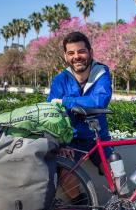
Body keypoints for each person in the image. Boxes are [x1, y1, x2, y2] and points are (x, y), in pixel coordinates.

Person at [47, 31, 113, 176]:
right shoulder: (59, 80)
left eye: (81, 51)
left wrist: (66, 101)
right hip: (71, 141)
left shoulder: (102, 73)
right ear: (65, 56)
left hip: (98, 137)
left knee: (115, 171)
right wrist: (60, 143)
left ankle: (122, 198)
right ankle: (85, 200)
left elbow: (100, 100)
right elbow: (50, 114)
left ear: (90, 52)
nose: (76, 56)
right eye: (71, 53)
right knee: (66, 175)